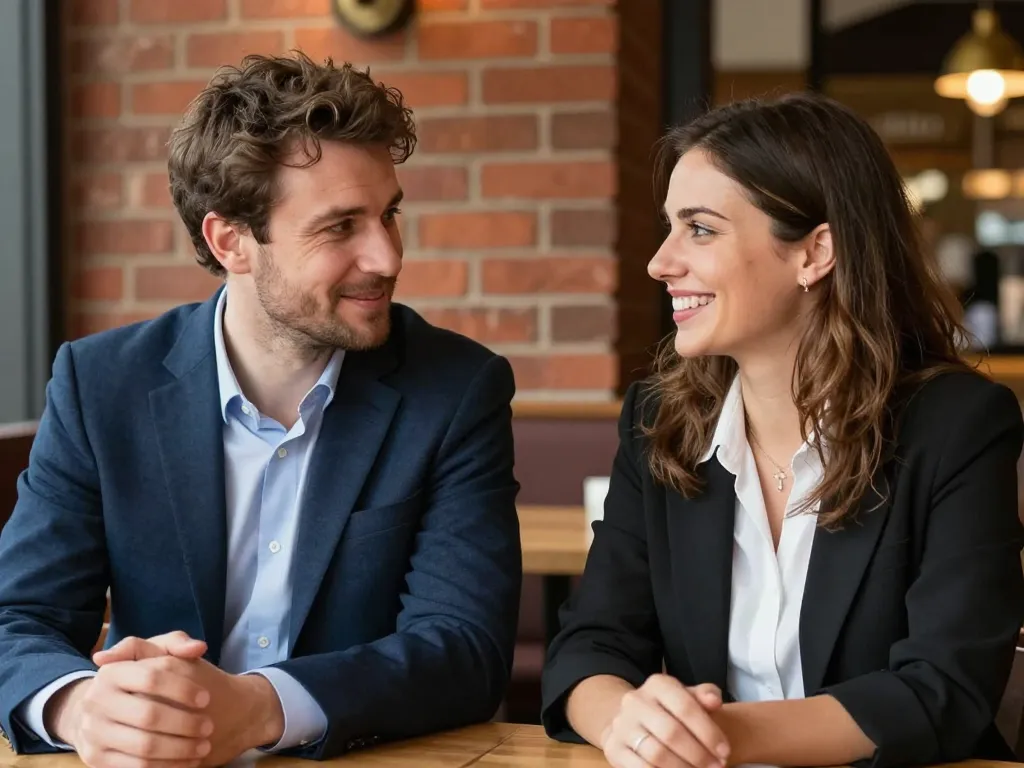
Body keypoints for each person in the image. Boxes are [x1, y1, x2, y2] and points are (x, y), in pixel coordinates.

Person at [0, 52, 522, 766]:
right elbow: (17, 618)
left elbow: (463, 649)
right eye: (341, 227)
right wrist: (81, 705)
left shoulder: (456, 389)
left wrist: (259, 707)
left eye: (389, 214)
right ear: (230, 241)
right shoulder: (101, 385)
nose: (386, 255)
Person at [540, 92, 1024, 768]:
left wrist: (712, 737)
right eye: (669, 226)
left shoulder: (957, 426)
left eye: (700, 229)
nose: (660, 262)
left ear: (815, 252)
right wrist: (627, 720)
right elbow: (591, 646)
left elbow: (943, 689)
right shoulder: (658, 423)